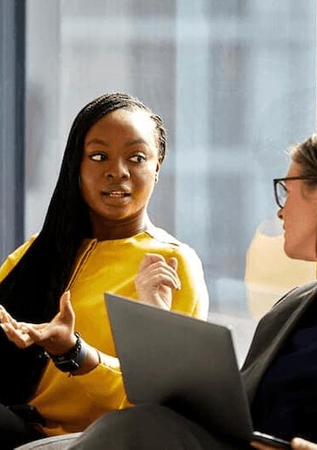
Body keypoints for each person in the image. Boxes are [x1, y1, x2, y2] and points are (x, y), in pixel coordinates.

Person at [0, 92, 209, 449]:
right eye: (99, 156)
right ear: (76, 166)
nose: (117, 171)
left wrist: (74, 353)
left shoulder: (169, 267)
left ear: (157, 168)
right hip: (4, 423)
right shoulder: (37, 252)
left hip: (77, 442)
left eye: (136, 158)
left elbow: (160, 404)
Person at [65, 132, 317, 450]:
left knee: (136, 428)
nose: (280, 211)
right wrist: (158, 323)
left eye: (287, 191)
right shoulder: (292, 306)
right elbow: (233, 412)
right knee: (140, 422)